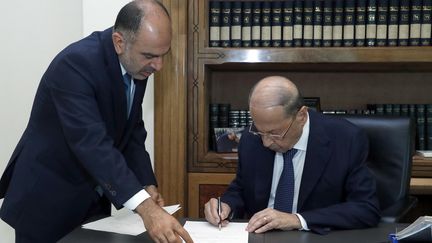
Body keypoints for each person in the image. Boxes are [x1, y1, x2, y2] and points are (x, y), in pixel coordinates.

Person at [0, 1, 193, 242]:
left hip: (92, 202)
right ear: (119, 42)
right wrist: (146, 208)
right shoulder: (75, 64)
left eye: (163, 55)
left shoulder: (136, 65)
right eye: (150, 56)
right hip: (47, 203)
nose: (159, 66)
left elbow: (131, 130)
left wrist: (146, 184)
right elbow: (92, 143)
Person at [204, 76, 380, 234]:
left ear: (301, 116)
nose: (266, 142)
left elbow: (366, 209)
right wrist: (226, 205)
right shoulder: (251, 139)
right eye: (260, 131)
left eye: (275, 133)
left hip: (314, 237)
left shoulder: (345, 139)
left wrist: (296, 219)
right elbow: (241, 189)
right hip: (262, 237)